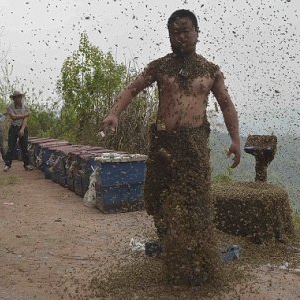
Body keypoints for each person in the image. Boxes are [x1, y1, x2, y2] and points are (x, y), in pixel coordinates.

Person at [102, 9, 241, 285]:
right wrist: (114, 113)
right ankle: (169, 246)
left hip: (194, 146)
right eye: (174, 32)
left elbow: (225, 103)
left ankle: (199, 259)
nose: (180, 37)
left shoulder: (211, 71)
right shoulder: (161, 67)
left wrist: (236, 140)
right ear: (169, 36)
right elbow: (132, 88)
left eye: (186, 31)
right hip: (163, 144)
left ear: (197, 33)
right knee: (158, 197)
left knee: (196, 203)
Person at [3, 91, 33, 172]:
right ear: (13, 99)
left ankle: (27, 164)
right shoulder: (10, 107)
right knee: (11, 147)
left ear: (21, 98)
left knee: (24, 147)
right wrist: (24, 115)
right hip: (13, 128)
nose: (18, 99)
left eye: (19, 97)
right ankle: (7, 165)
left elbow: (25, 120)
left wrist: (22, 129)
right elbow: (13, 117)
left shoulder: (26, 107)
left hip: (23, 127)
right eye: (16, 97)